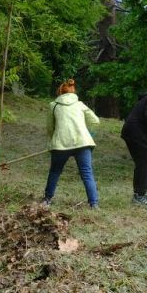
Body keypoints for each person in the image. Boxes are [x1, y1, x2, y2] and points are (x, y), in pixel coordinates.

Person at [43, 79, 100, 209]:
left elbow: (50, 127)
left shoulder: (54, 105)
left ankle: (47, 199)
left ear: (59, 92)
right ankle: (94, 204)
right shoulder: (80, 104)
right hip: (83, 143)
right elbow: (95, 121)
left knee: (55, 171)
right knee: (87, 173)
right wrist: (90, 135)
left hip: (60, 144)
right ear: (73, 91)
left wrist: (53, 139)